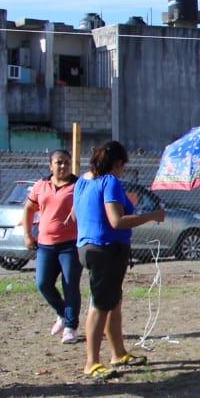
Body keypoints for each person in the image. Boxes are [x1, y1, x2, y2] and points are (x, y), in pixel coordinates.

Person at [74, 141, 165, 379]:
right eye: (123, 165)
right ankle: (92, 362)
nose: (123, 170)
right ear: (117, 163)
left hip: (87, 246)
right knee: (100, 304)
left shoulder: (82, 181)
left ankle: (118, 353)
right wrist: (151, 216)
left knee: (113, 302)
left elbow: (76, 214)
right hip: (106, 249)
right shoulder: (110, 182)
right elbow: (116, 221)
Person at [25, 150, 81, 344]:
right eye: (59, 163)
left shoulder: (78, 185)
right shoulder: (41, 185)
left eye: (67, 162)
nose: (63, 166)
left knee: (70, 284)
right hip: (45, 244)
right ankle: (62, 313)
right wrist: (27, 235)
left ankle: (70, 327)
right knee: (43, 283)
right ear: (51, 165)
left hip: (70, 245)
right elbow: (29, 208)